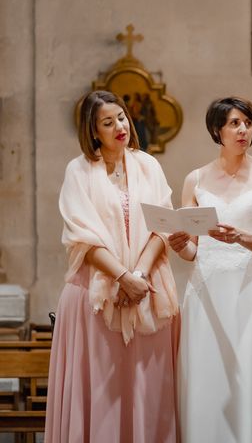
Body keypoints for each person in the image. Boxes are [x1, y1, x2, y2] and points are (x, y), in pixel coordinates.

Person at [45, 90, 180, 442]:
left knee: (147, 390)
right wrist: (121, 276)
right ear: (93, 132)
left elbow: (162, 225)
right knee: (101, 391)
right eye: (108, 122)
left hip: (146, 292)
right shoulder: (78, 171)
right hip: (96, 294)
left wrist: (138, 276)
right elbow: (82, 236)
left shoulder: (148, 165)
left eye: (121, 117)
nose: (119, 126)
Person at [168, 96, 252, 443]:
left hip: (250, 290)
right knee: (207, 378)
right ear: (217, 130)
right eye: (235, 123)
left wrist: (240, 236)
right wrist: (183, 246)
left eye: (248, 122)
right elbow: (195, 252)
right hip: (206, 292)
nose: (244, 130)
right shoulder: (194, 179)